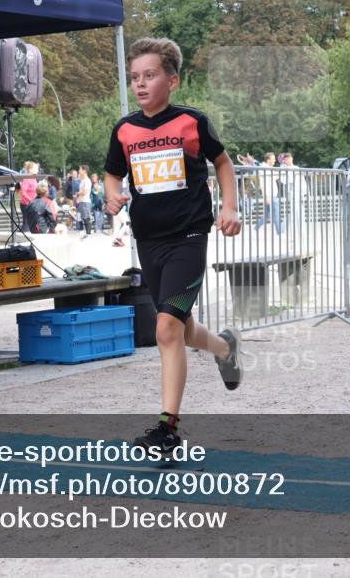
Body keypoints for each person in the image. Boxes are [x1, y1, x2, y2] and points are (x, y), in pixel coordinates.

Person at [103, 37, 243, 454]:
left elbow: (223, 162)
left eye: (150, 76)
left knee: (165, 329)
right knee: (180, 328)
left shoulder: (192, 122)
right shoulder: (125, 129)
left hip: (189, 237)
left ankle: (167, 427)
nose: (141, 84)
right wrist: (112, 195)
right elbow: (112, 173)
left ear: (172, 80)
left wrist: (230, 207)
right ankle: (223, 347)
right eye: (135, 78)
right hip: (150, 240)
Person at [254, 152, 282, 235]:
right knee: (276, 213)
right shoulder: (264, 169)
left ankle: (255, 229)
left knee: (267, 215)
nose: (275, 160)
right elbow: (264, 184)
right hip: (270, 195)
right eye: (273, 159)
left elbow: (277, 177)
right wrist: (266, 196)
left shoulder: (268, 168)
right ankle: (280, 233)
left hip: (271, 195)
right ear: (268, 159)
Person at [75, 164, 94, 237]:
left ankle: (88, 234)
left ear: (84, 171)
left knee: (86, 218)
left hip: (85, 202)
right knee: (80, 217)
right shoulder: (82, 180)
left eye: (80, 169)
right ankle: (84, 233)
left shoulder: (87, 181)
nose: (78, 171)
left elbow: (85, 192)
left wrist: (78, 193)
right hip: (81, 202)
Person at [18, 160, 39, 225]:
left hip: (32, 204)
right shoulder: (26, 179)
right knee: (27, 223)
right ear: (30, 170)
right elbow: (23, 192)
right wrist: (31, 200)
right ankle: (24, 233)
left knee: (32, 222)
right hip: (26, 204)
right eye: (36, 169)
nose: (37, 170)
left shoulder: (34, 178)